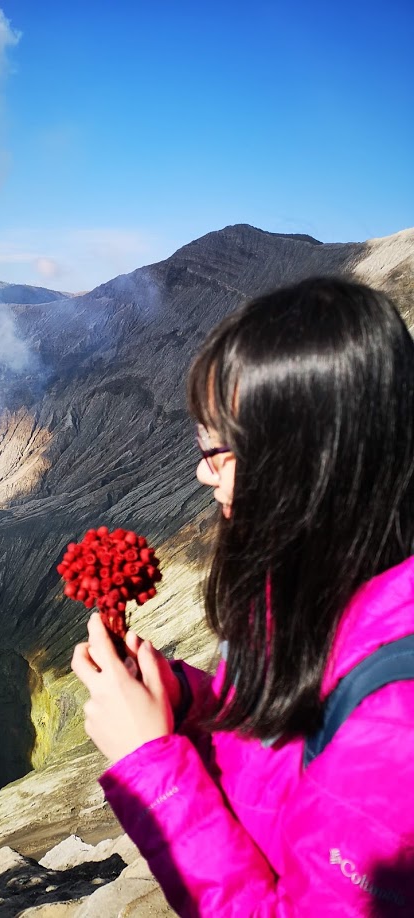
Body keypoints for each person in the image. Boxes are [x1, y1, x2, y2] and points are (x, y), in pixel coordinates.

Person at [71, 277, 414, 916]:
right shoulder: (320, 586)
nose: (203, 472)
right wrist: (184, 700)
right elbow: (277, 752)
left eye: (218, 448)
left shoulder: (397, 725)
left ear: (305, 459)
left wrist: (151, 764)